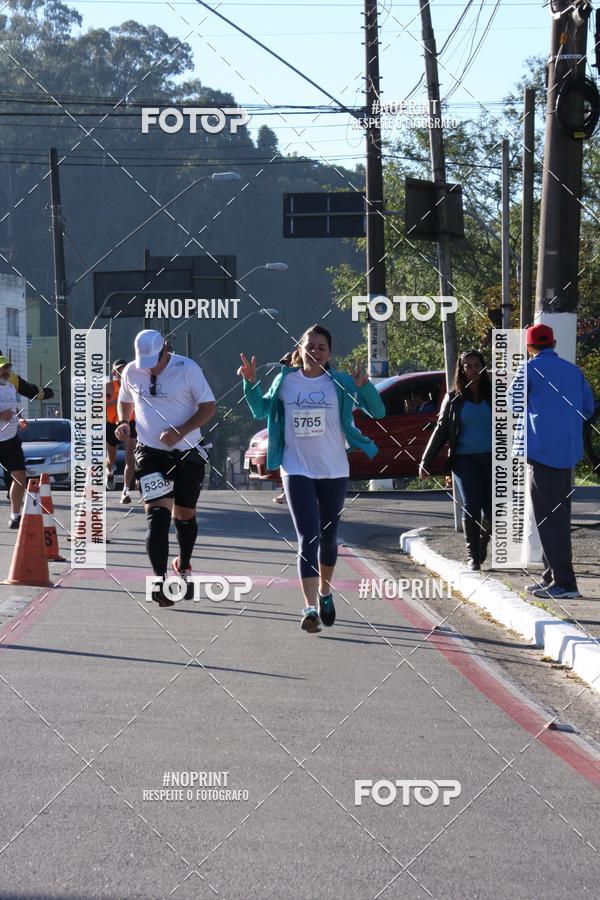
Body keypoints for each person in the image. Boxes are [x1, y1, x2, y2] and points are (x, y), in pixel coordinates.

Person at [238, 325, 385, 632]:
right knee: (308, 537)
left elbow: (378, 411)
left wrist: (365, 386)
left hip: (333, 470)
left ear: (329, 353)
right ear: (300, 350)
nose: (315, 351)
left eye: (321, 347)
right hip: (297, 468)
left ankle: (325, 592)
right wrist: (250, 384)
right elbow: (260, 409)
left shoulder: (342, 383)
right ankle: (308, 608)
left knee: (329, 539)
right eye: (310, 346)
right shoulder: (285, 380)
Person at [115, 330, 216, 606]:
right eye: (143, 360)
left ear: (165, 351)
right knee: (157, 516)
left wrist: (180, 432)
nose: (148, 366)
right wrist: (123, 423)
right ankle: (160, 582)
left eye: (153, 360)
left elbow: (209, 408)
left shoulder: (187, 368)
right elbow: (124, 401)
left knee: (184, 516)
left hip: (188, 452)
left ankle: (183, 566)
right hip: (150, 453)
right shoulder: (131, 372)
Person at [518, 323, 594, 600]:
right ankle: (551, 576)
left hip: (541, 453)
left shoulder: (527, 370)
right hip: (568, 453)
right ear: (553, 343)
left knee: (549, 521)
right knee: (557, 517)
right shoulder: (574, 372)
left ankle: (566, 582)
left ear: (529, 346)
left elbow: (513, 404)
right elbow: (588, 407)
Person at [419, 349, 492, 571]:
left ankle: (483, 540)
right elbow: (441, 431)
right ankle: (473, 555)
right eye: (468, 366)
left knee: (491, 510)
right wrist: (426, 461)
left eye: (477, 365)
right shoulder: (453, 399)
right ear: (461, 369)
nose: (473, 370)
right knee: (471, 505)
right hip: (463, 460)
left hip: (493, 460)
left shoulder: (495, 395)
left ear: (483, 367)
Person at [0, 355, 54, 528]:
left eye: (7, 368)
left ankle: (15, 516)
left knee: (19, 476)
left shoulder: (9, 387)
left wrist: (19, 417)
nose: (6, 372)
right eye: (3, 368)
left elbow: (12, 407)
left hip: (11, 439)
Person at [105, 359, 137, 504]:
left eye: (124, 369)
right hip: (112, 424)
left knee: (129, 458)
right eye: (119, 370)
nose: (122, 373)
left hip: (130, 423)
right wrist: (117, 401)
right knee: (111, 459)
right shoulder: (110, 387)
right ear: (114, 373)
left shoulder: (134, 385)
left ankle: (125, 491)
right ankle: (110, 472)